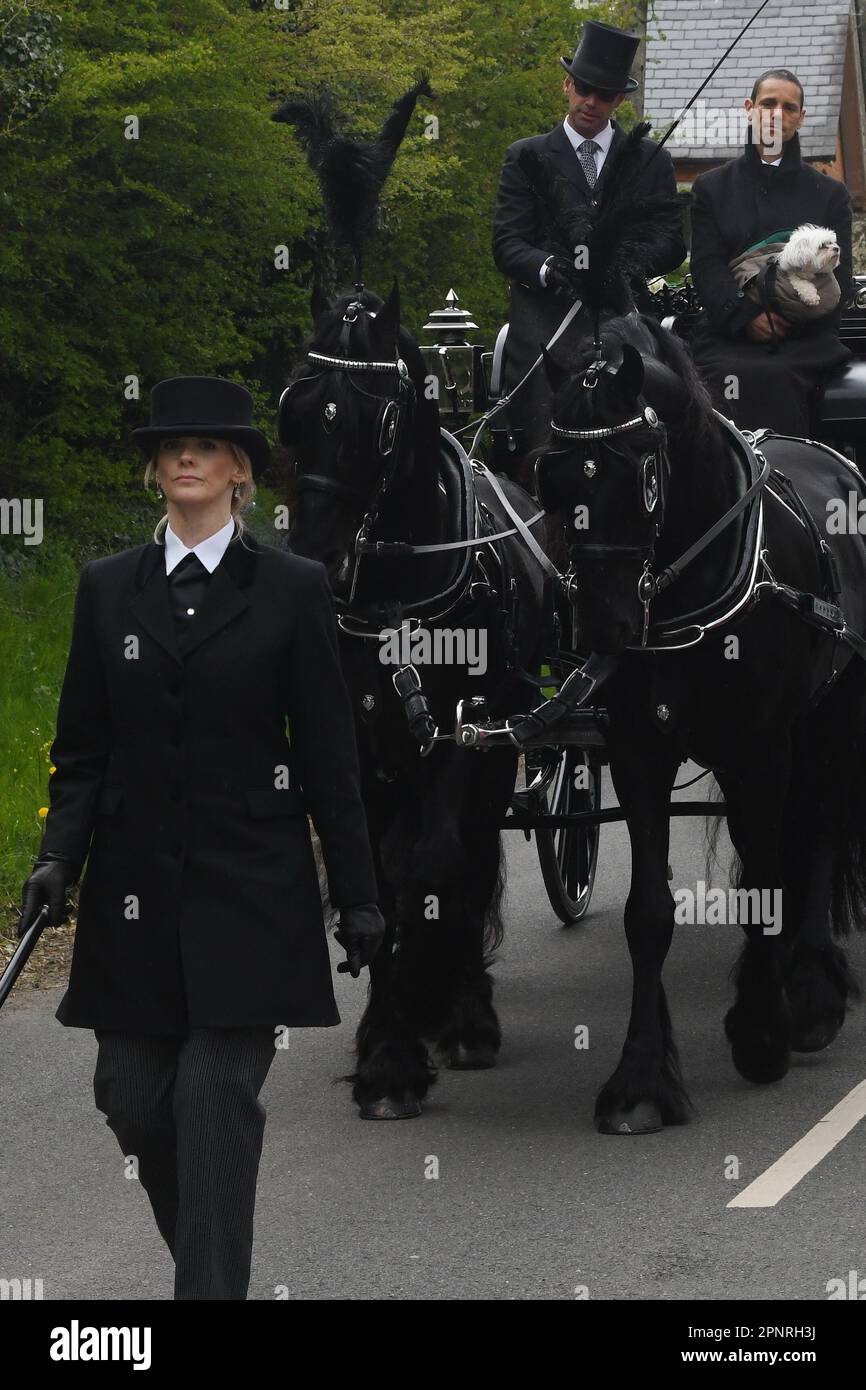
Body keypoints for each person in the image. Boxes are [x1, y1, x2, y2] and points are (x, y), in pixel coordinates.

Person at [18, 376, 385, 1300]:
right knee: (133, 1099)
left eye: (208, 445)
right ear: (156, 470)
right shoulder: (107, 591)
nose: (186, 456)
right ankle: (210, 1270)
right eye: (172, 444)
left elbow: (331, 760)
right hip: (133, 900)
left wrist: (362, 894)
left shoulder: (292, 590)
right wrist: (57, 857)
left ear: (241, 474)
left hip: (250, 894)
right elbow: (83, 748)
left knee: (215, 1098)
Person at [492, 19, 686, 462]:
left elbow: (672, 243)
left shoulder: (650, 160)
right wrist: (550, 267)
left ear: (619, 99)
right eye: (583, 88)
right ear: (567, 85)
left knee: (647, 399)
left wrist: (622, 266)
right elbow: (507, 243)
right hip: (548, 316)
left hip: (623, 313)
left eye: (604, 94)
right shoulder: (527, 156)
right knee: (549, 421)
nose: (591, 102)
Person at [689, 68, 853, 436]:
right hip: (729, 335)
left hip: (804, 340)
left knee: (772, 376)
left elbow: (840, 277)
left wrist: (794, 316)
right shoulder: (711, 188)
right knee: (720, 381)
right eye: (768, 104)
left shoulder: (830, 194)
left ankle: (785, 485)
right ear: (749, 109)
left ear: (801, 117)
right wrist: (746, 317)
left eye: (789, 107)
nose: (777, 114)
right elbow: (707, 267)